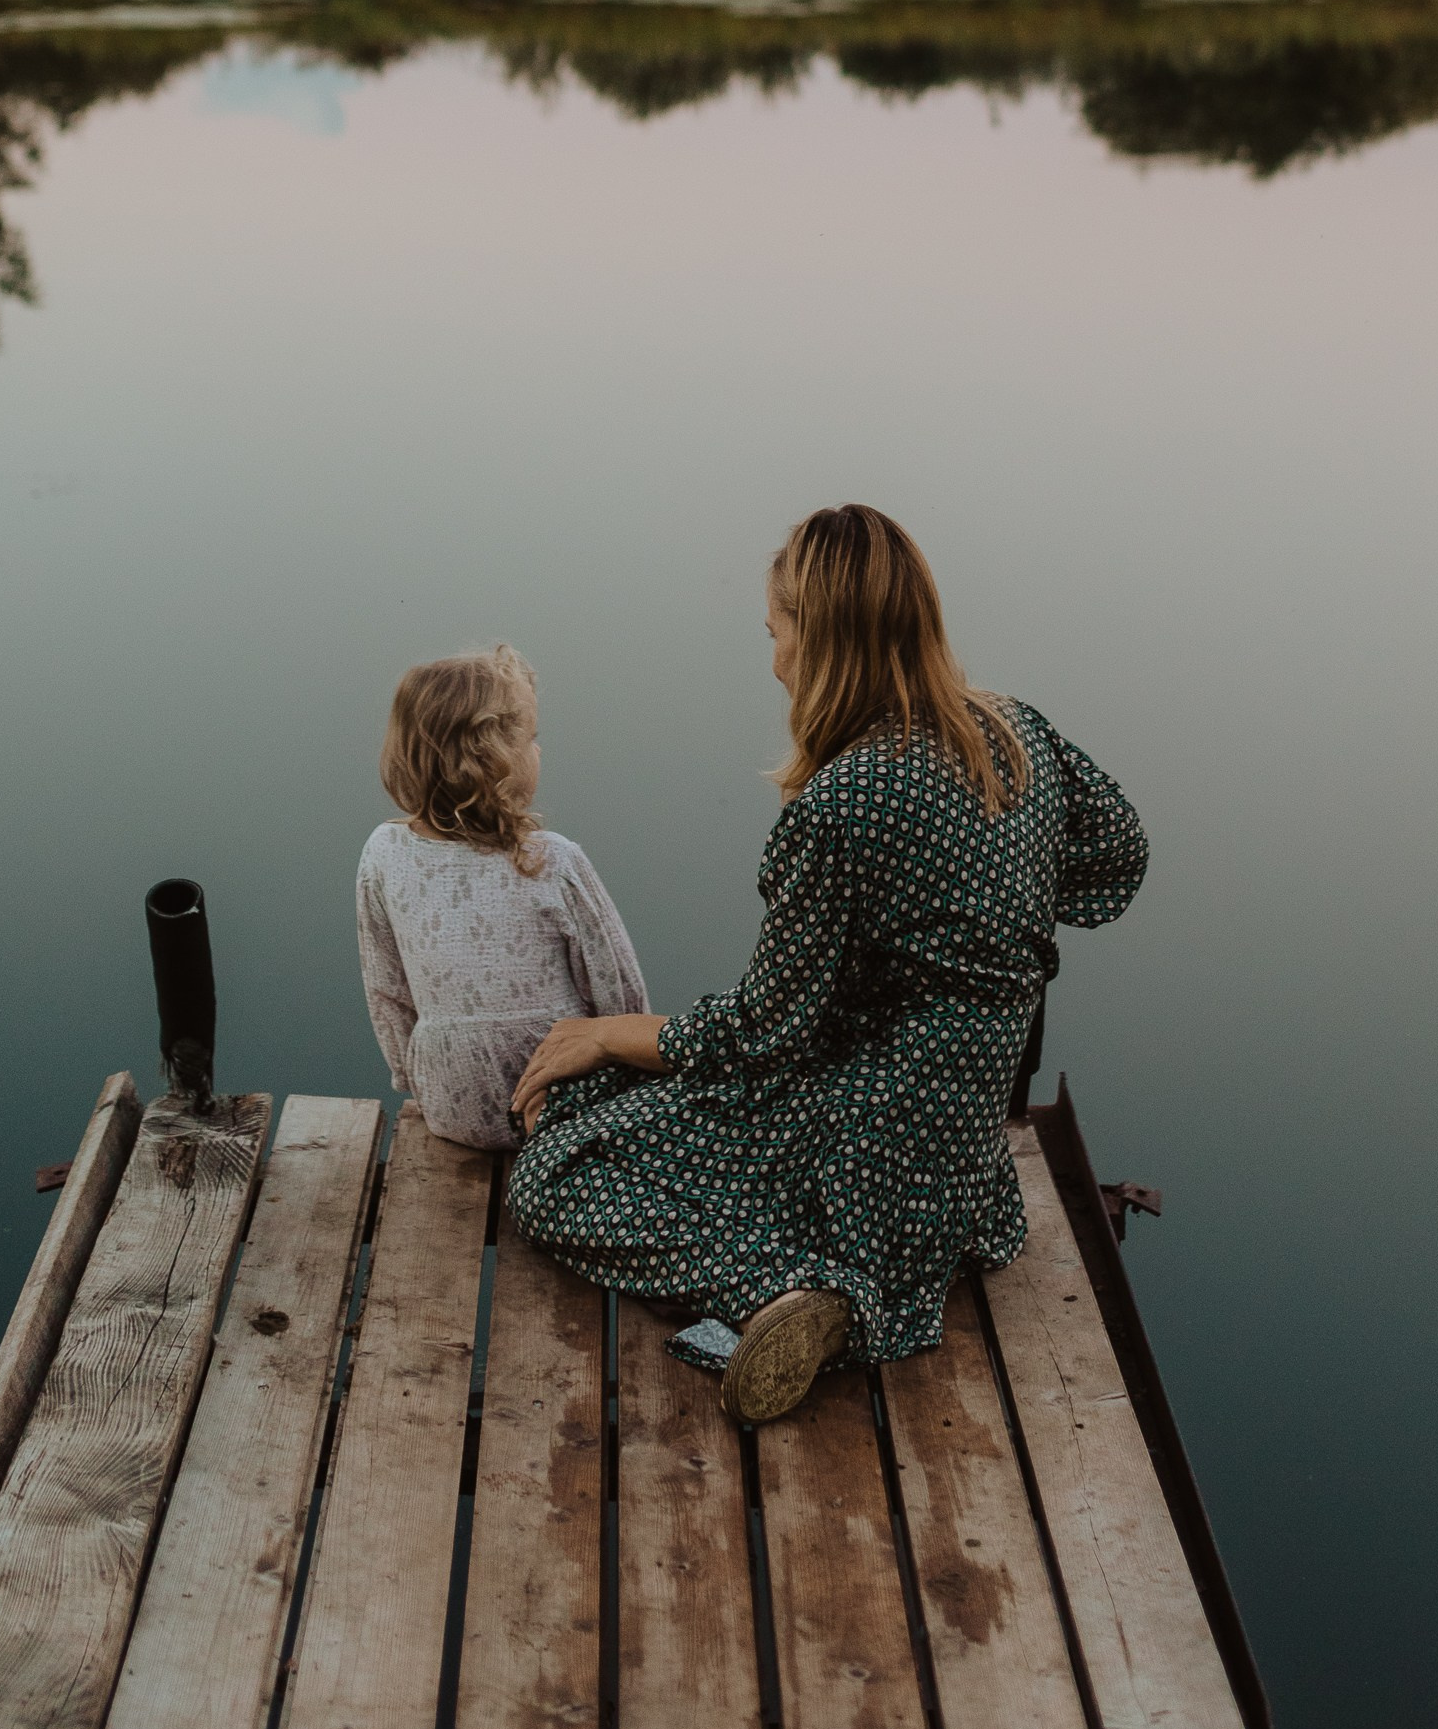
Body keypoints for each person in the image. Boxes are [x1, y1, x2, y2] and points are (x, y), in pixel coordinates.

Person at [507, 504, 1147, 1428]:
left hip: (854, 1135)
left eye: (777, 633)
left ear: (824, 639)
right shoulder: (1016, 732)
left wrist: (608, 1032)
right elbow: (1118, 854)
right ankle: (842, 1277)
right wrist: (994, 927)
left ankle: (801, 1290)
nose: (772, 660)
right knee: (601, 1102)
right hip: (962, 1155)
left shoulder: (844, 803)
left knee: (555, 1166)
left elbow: (761, 1033)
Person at [356, 643, 648, 1148]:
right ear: (491, 760)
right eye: (531, 739)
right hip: (554, 1104)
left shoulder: (383, 853)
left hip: (449, 1106)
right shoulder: (555, 860)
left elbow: (387, 990)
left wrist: (412, 1077)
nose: (539, 751)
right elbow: (618, 988)